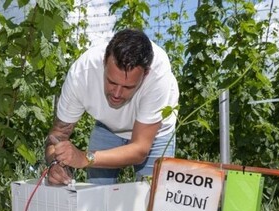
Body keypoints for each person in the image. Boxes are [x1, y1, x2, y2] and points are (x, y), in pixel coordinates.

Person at [45, 28, 179, 185]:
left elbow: (140, 149)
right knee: (96, 196)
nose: (116, 93)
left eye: (128, 87)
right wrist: (54, 163)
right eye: (112, 82)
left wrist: (84, 158)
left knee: (154, 198)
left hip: (155, 133)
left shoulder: (158, 74)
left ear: (146, 74)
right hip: (107, 127)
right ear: (104, 62)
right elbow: (58, 135)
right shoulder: (82, 73)